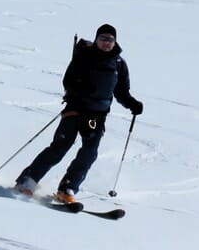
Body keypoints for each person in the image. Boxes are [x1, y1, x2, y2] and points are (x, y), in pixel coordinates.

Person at [15, 23, 143, 204]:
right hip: (75, 110)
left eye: (110, 40)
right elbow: (68, 81)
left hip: (95, 116)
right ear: (97, 39)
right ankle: (26, 182)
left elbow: (121, 92)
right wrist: (80, 91)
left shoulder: (119, 64)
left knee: (89, 152)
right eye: (103, 39)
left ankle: (67, 188)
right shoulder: (84, 56)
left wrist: (133, 104)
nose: (106, 43)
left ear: (115, 42)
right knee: (59, 148)